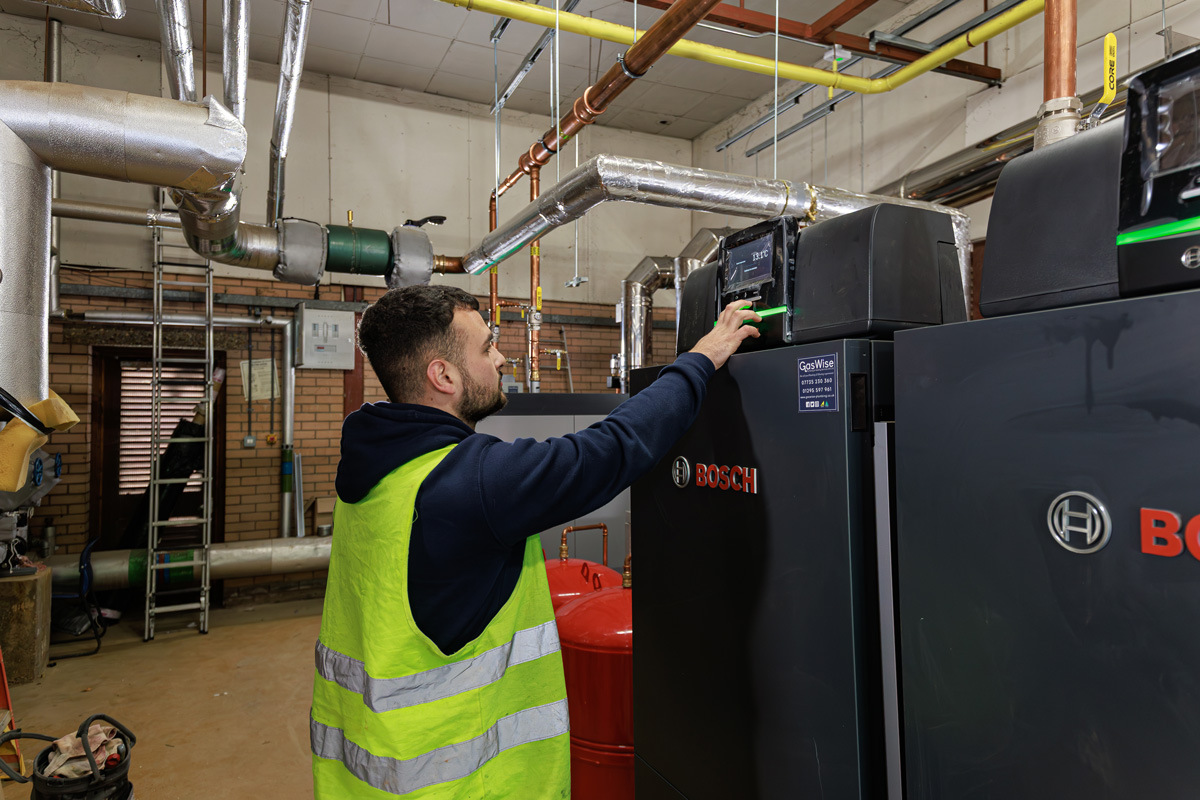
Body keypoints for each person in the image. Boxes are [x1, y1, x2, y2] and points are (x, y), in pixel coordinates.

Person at [311, 284, 761, 798]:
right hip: (463, 786)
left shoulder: (374, 473)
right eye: (485, 348)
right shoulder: (464, 485)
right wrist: (700, 360)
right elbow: (612, 450)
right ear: (444, 375)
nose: (501, 357)